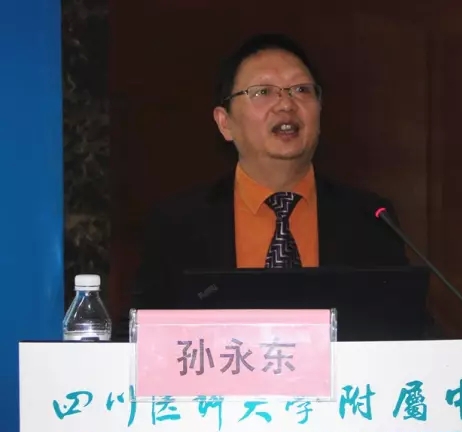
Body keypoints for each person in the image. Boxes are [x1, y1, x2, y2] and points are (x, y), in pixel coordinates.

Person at [112, 33, 417, 341]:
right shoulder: (176, 224)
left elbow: (409, 330)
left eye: (301, 89)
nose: (286, 104)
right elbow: (138, 336)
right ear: (225, 123)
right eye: (263, 92)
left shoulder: (370, 219)